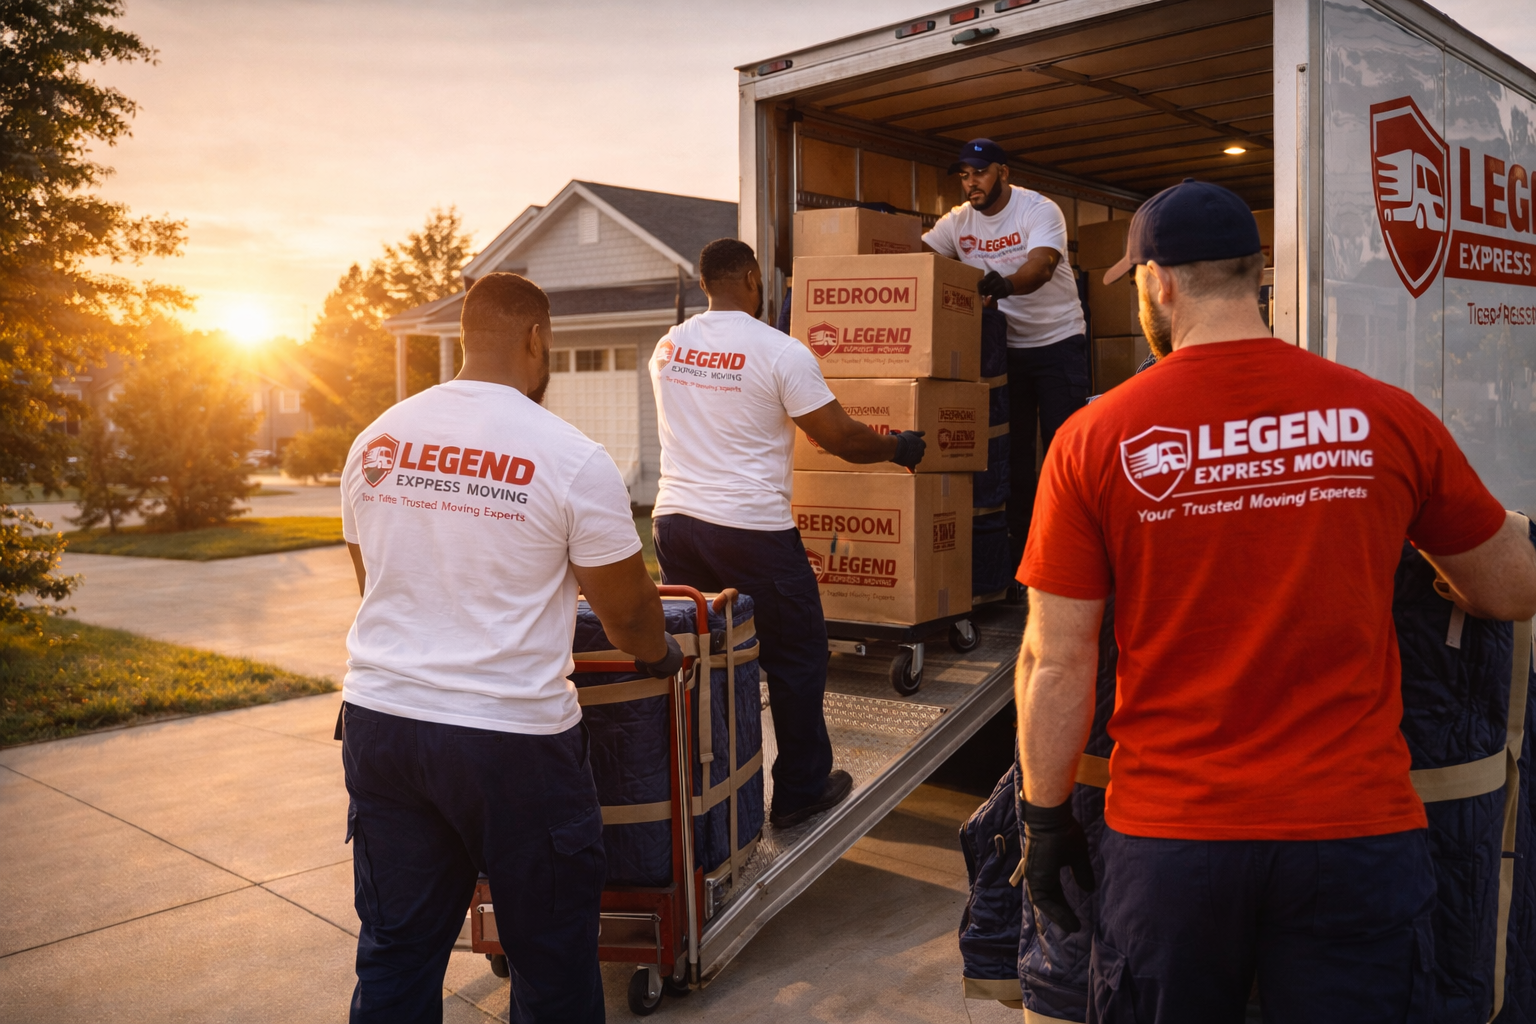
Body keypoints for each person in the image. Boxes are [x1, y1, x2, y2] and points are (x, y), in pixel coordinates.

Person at [1012, 179, 1536, 1022]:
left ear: (1158, 284)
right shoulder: (1386, 417)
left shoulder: (1094, 437)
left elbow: (1055, 656)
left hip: (1174, 845)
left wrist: (1042, 822)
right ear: (1255, 276)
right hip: (1355, 836)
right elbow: (1513, 589)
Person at [337, 272, 682, 1024]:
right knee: (551, 958)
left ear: (465, 335)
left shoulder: (379, 439)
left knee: (396, 948)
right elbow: (626, 612)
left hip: (382, 723)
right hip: (511, 744)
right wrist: (661, 657)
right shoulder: (569, 456)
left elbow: (379, 584)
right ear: (537, 338)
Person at [649, 238, 927, 829]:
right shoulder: (780, 351)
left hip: (675, 524)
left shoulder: (668, 347)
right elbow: (840, 438)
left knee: (711, 657)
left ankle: (716, 787)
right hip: (750, 529)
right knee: (797, 654)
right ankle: (800, 788)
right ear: (752, 278)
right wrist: (899, 446)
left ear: (705, 284)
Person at [922, 138, 1089, 568]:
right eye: (964, 175)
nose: (970, 183)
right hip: (1003, 352)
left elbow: (1043, 266)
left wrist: (1005, 284)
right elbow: (919, 260)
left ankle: (1071, 551)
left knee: (1063, 450)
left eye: (979, 172)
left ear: (1003, 173)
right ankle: (1020, 556)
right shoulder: (957, 222)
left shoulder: (1038, 209)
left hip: (1058, 343)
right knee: (1009, 456)